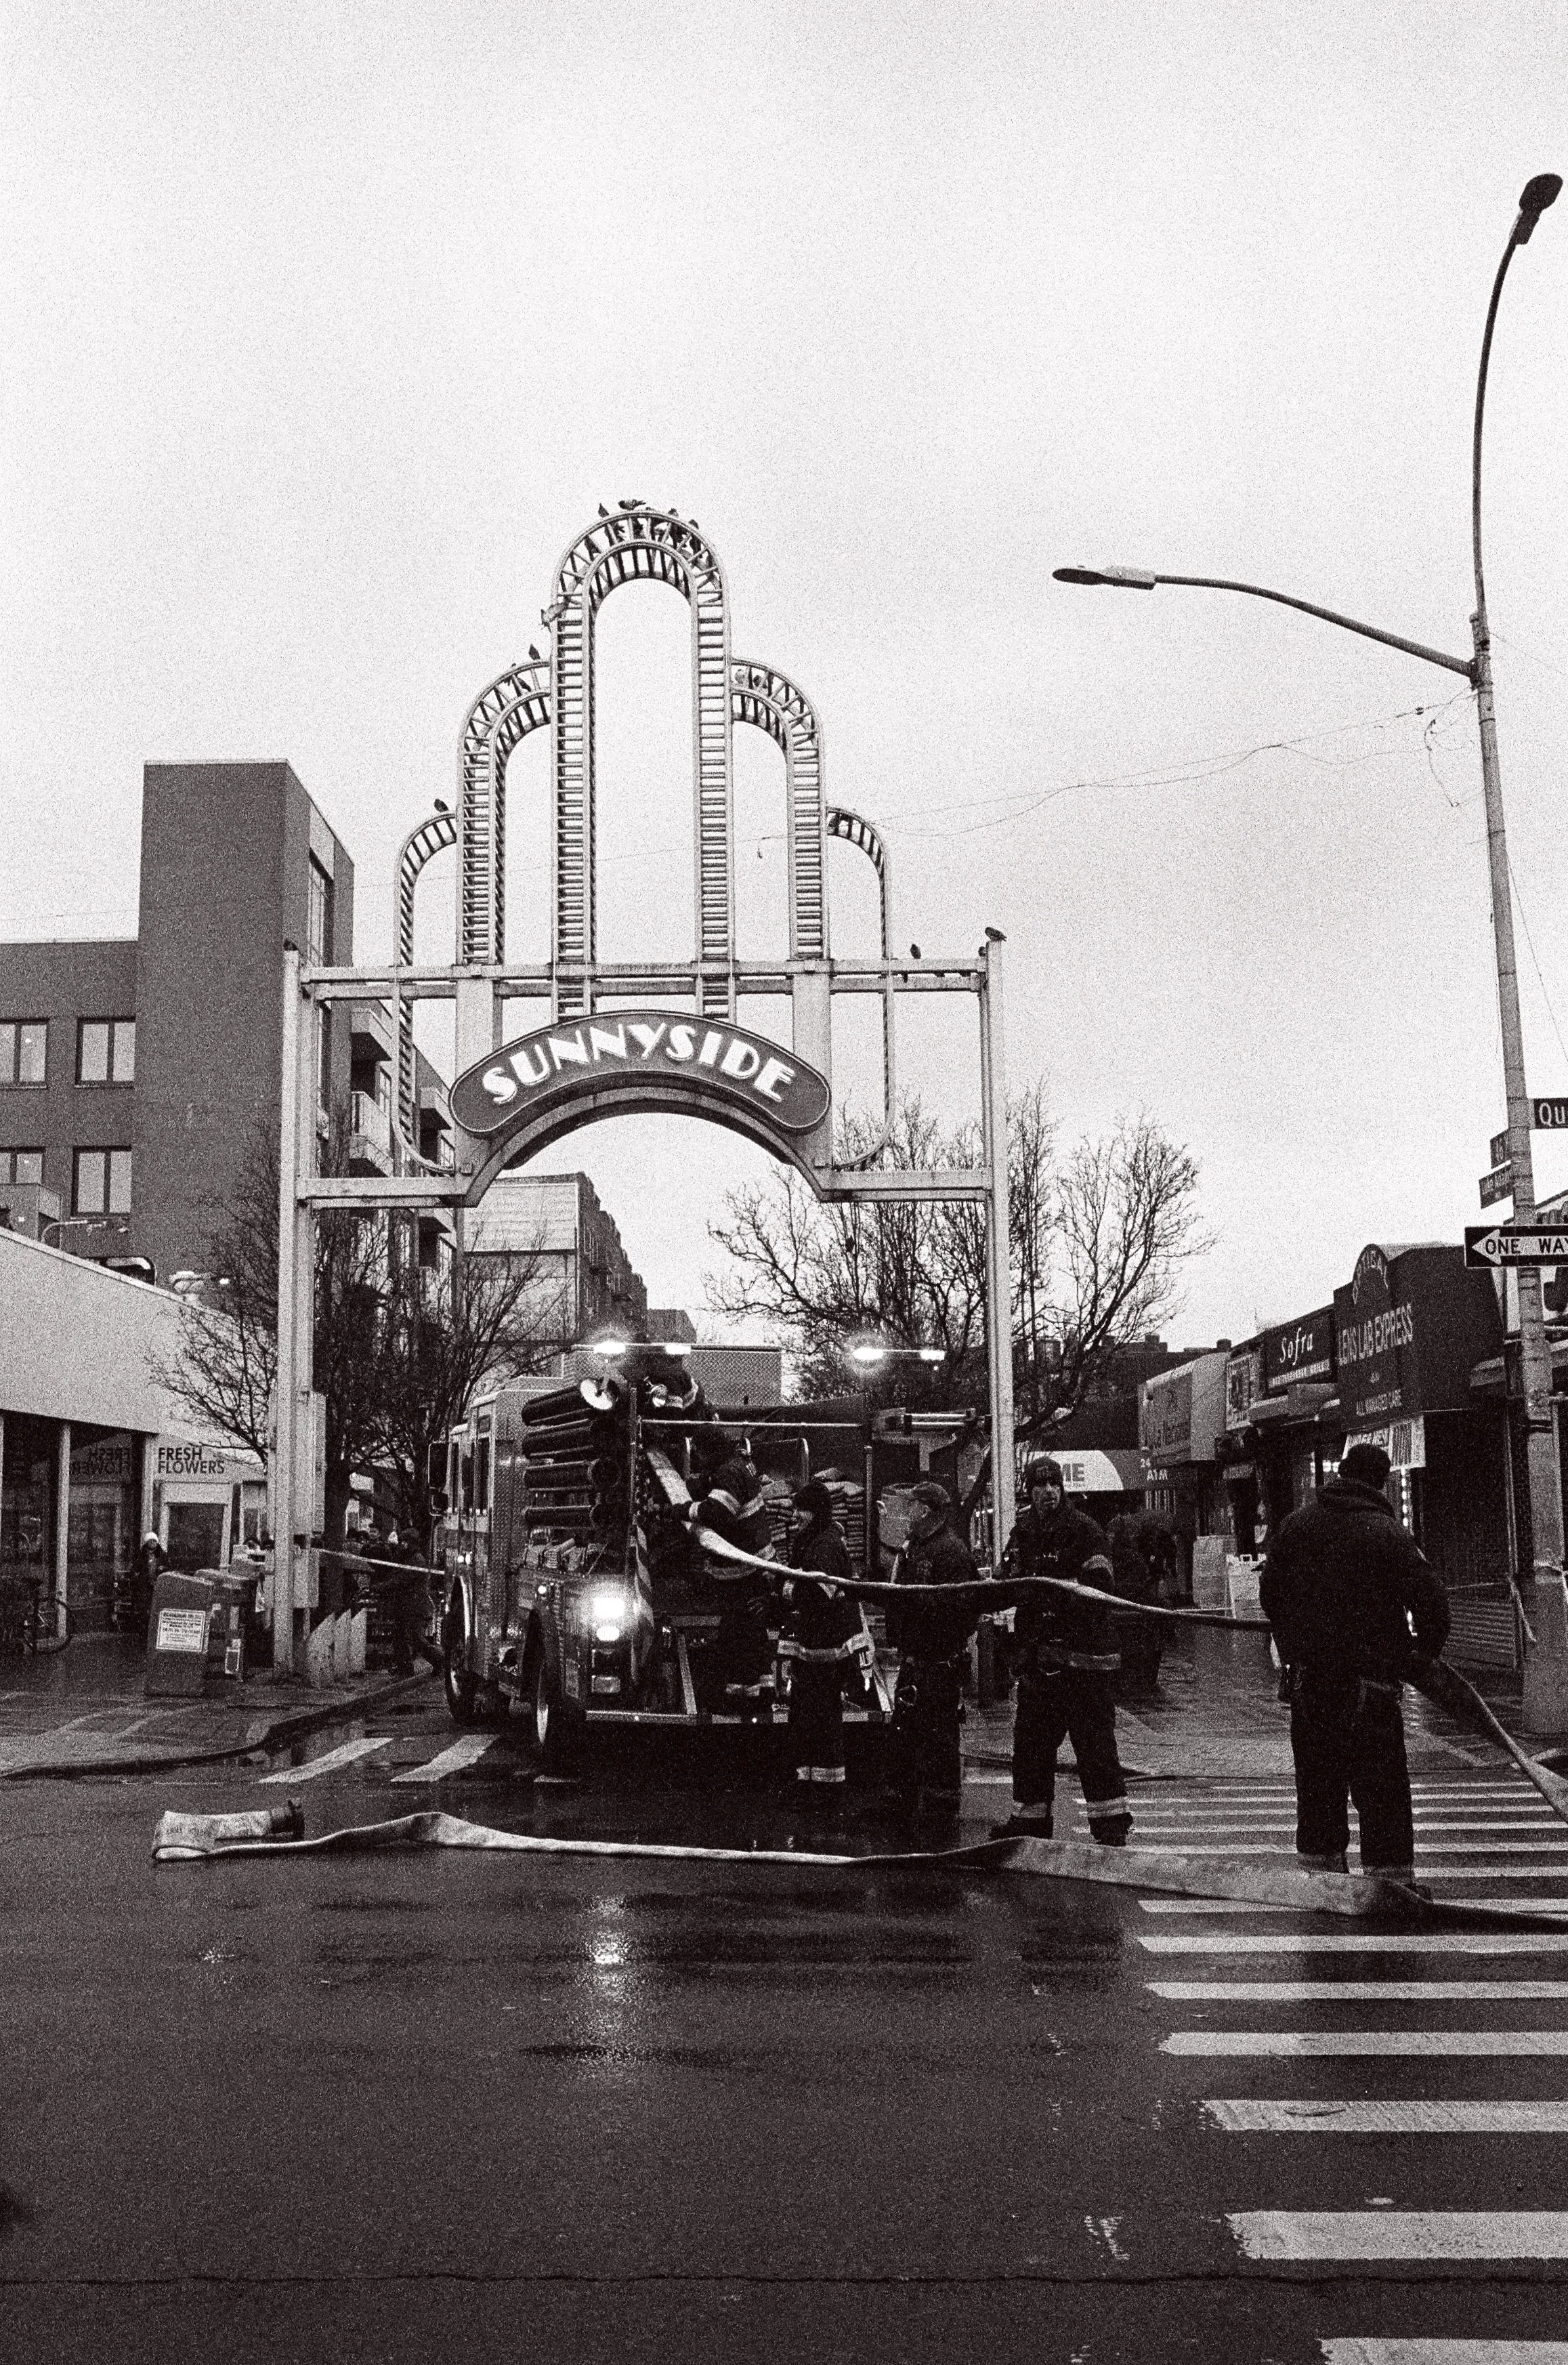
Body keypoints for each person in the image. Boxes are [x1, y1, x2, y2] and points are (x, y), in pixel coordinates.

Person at [1260, 1439, 1449, 1882]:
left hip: (1310, 1683)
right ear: (1380, 1481)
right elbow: (1433, 1608)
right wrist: (1419, 1658)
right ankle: (1389, 1882)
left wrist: (1294, 1647)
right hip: (1371, 1687)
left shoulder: (1296, 1526)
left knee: (1318, 1787)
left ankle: (1323, 1879)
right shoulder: (1388, 1533)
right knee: (1381, 1790)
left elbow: (1271, 1597)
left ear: (1341, 1473)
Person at [992, 1458, 1132, 1845]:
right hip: (1041, 1665)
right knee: (1031, 1746)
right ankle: (1030, 1822)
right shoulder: (1024, 1531)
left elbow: (1100, 1585)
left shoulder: (1085, 1530)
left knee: (1094, 1747)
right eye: (1040, 1486)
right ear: (1030, 1492)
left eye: (1054, 1484)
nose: (1049, 1491)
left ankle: (1111, 1828)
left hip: (1084, 1665)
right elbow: (1007, 1580)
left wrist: (1052, 1595)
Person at [885, 1480, 981, 1820]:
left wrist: (933, 1630)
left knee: (939, 1737)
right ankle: (905, 1802)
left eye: (910, 1507)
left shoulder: (951, 1551)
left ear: (925, 1510)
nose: (906, 1513)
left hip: (939, 1665)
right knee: (906, 1734)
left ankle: (942, 1808)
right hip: (915, 1661)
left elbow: (965, 1608)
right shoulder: (913, 1548)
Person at [779, 1481, 862, 1797]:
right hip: (814, 1647)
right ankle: (808, 1782)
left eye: (800, 1510)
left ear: (813, 1512)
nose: (795, 1516)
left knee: (822, 1719)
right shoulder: (814, 1540)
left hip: (825, 1651)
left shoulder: (824, 1546)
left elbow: (821, 1593)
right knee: (807, 1717)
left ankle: (827, 1790)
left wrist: (786, 1591)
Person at [694, 1438, 777, 1723]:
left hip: (745, 1572)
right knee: (751, 1636)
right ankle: (760, 1697)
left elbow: (717, 1513)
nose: (699, 1459)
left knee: (739, 1636)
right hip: (754, 1568)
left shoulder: (730, 1472)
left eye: (700, 1453)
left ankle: (742, 1701)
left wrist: (684, 1509)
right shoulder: (739, 1467)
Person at [132, 1530, 167, 1637]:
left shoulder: (162, 1555)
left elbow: (168, 1567)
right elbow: (135, 1568)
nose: (153, 1543)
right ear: (147, 1542)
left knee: (156, 1607)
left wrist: (162, 1569)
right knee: (144, 1608)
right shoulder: (141, 1554)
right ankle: (143, 1631)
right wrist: (138, 1575)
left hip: (158, 1585)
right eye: (151, 1541)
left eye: (154, 1541)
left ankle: (155, 1631)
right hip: (144, 1585)